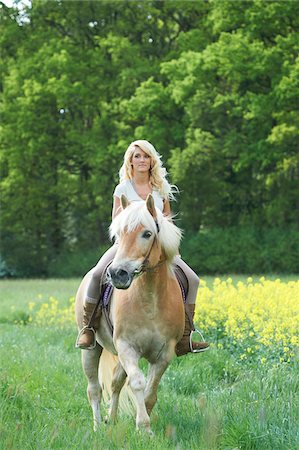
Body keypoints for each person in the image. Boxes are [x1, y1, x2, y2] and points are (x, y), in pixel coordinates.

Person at [76, 140, 209, 355]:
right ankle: (88, 328)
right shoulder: (122, 189)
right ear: (130, 161)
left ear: (152, 161)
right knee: (97, 275)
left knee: (192, 279)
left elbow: (168, 221)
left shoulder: (160, 189)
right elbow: (116, 222)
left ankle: (186, 336)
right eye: (137, 156)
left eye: (146, 156)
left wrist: (172, 248)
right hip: (126, 246)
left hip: (156, 248)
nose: (142, 160)